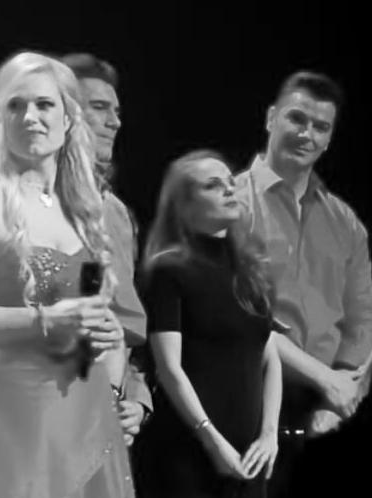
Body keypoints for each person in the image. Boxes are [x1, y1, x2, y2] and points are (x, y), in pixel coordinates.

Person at [0, 51, 134, 498]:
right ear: (0, 118)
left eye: (44, 104)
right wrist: (45, 321)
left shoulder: (87, 208)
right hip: (17, 412)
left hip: (88, 409)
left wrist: (107, 333)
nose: (30, 117)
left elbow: (97, 309)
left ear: (68, 119)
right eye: (16, 105)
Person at [234, 71, 372, 497]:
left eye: (320, 127)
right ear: (270, 118)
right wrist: (327, 381)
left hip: (329, 417)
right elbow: (240, 320)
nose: (306, 134)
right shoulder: (232, 205)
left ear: (329, 139)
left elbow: (362, 320)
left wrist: (339, 398)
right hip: (249, 405)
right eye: (296, 118)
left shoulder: (345, 222)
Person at [140, 150, 282, 498]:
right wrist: (212, 440)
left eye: (230, 182)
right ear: (185, 205)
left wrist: (269, 434)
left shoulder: (250, 271)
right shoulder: (169, 270)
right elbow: (169, 368)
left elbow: (269, 358)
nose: (229, 189)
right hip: (192, 449)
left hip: (250, 453)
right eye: (213, 185)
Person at [62, 52, 150, 448]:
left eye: (116, 111)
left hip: (103, 415)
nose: (115, 122)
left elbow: (125, 324)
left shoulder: (115, 212)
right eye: (99, 108)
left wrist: (137, 400)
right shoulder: (22, 199)